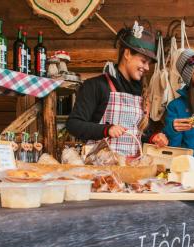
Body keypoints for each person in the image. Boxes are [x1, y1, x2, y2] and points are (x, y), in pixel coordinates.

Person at [67, 22, 168, 156]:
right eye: (143, 61)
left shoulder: (141, 93)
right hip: (101, 168)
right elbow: (73, 125)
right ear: (127, 54)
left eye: (148, 63)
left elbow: (137, 135)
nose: (148, 68)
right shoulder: (96, 86)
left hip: (131, 167)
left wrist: (152, 138)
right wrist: (106, 130)